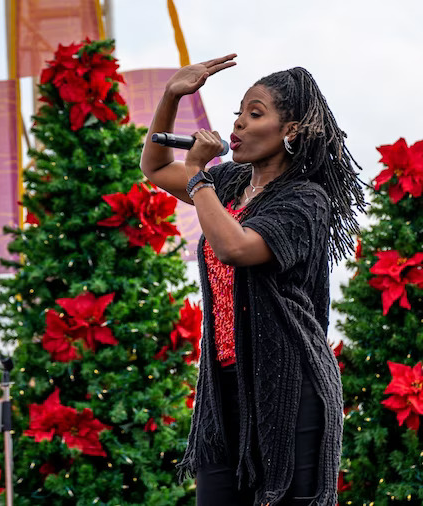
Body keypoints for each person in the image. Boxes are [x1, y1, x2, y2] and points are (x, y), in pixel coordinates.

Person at [140, 55, 366, 506]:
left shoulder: (306, 200)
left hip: (291, 387)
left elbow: (236, 248)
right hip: (225, 388)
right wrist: (170, 96)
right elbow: (157, 167)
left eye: (255, 114)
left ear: (292, 131)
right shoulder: (228, 183)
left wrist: (201, 178)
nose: (239, 125)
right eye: (238, 114)